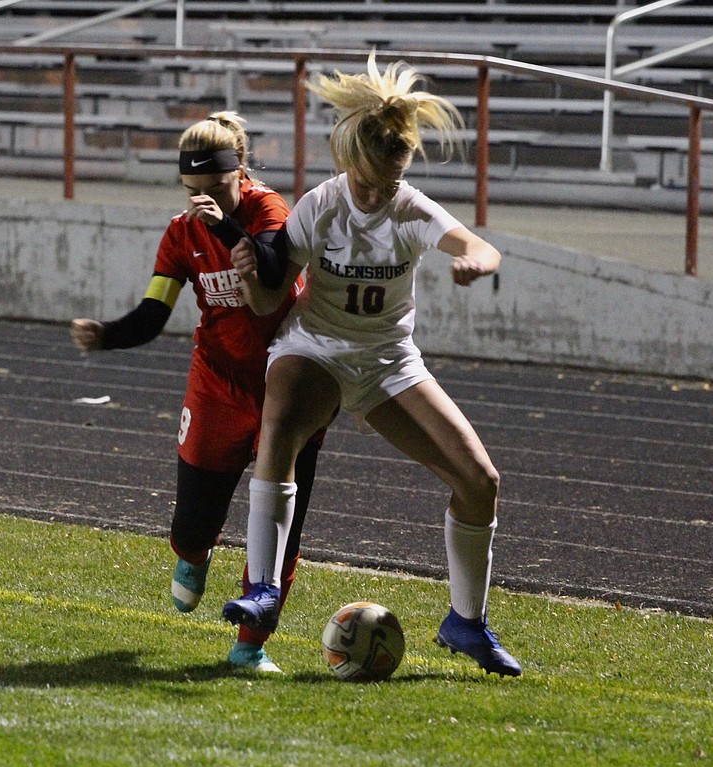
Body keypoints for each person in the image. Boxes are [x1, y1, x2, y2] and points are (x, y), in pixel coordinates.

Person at [223, 55, 522, 677]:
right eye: (366, 182)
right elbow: (274, 302)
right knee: (277, 428)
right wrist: (255, 281)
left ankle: (465, 622)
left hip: (388, 361)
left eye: (388, 183)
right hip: (318, 349)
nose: (375, 194)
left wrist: (477, 264)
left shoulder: (409, 209)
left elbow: (479, 245)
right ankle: (264, 590)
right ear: (346, 162)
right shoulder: (320, 206)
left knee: (480, 480)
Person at [70, 112, 326, 674]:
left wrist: (226, 228)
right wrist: (109, 335)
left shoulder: (269, 211)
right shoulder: (180, 233)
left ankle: (250, 645)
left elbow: (269, 262)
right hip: (216, 379)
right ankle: (194, 553)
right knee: (190, 525)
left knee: (283, 521)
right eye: (193, 191)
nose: (203, 201)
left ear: (241, 173)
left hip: (289, 380)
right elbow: (154, 311)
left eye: (216, 189)